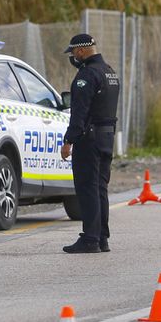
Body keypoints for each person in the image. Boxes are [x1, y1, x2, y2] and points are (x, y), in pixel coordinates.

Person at [59, 32, 121, 254]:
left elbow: (80, 112)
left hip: (90, 139)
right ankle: (102, 238)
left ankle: (90, 239)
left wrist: (69, 140)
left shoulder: (87, 75)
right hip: (107, 136)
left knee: (87, 188)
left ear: (82, 50)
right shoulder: (110, 72)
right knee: (100, 188)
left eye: (74, 52)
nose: (73, 56)